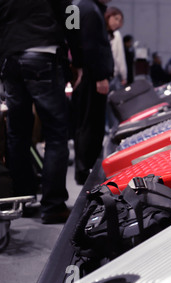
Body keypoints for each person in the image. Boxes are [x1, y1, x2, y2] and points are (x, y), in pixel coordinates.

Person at [0, 0, 82, 224]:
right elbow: (71, 16)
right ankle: (53, 206)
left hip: (10, 59)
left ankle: (22, 200)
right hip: (43, 55)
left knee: (17, 134)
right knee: (56, 134)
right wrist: (78, 59)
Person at [73, 0, 114, 185]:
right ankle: (87, 170)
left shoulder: (78, 7)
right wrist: (100, 76)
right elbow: (91, 45)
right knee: (92, 123)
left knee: (84, 122)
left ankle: (83, 169)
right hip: (92, 76)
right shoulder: (91, 11)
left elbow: (72, 38)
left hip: (85, 72)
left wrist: (76, 67)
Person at [105, 7, 127, 91]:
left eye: (120, 21)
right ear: (108, 16)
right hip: (109, 74)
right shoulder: (115, 35)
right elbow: (119, 57)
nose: (117, 23)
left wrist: (123, 75)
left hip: (111, 74)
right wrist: (124, 76)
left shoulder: (115, 34)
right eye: (116, 19)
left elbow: (119, 56)